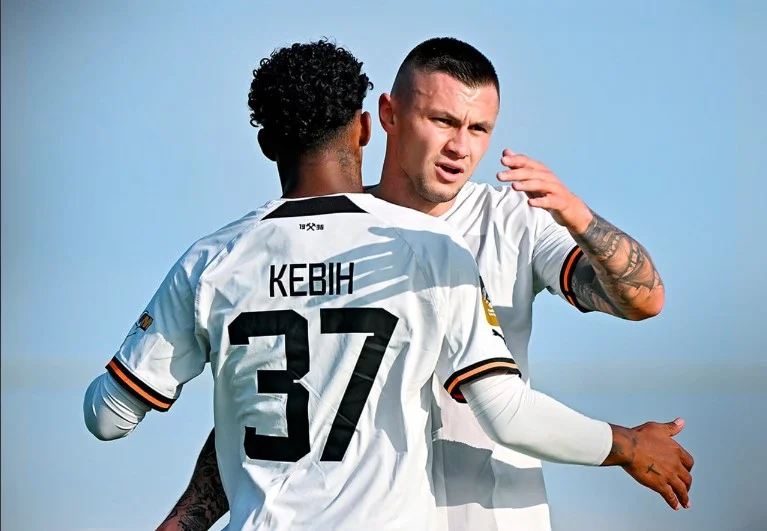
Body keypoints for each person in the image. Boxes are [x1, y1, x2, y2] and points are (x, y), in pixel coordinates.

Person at [81, 40, 691, 530]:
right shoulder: (423, 247)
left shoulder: (221, 258)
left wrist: (578, 217)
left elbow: (645, 300)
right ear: (379, 121)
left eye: (479, 128)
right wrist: (626, 444)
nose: (460, 146)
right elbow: (280, 405)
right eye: (442, 120)